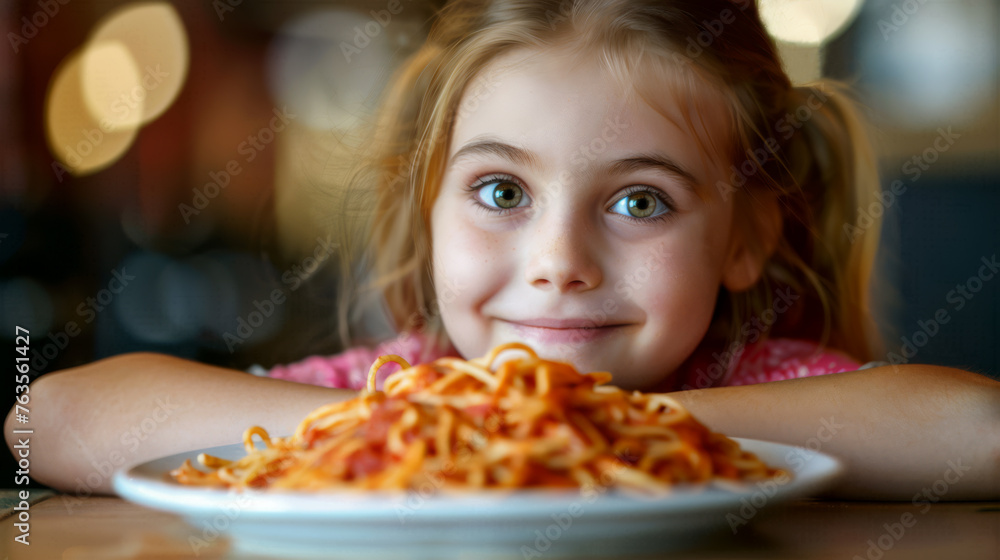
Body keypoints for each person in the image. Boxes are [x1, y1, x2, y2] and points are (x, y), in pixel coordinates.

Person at [7, 0, 998, 500]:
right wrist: (450, 422)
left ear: (746, 238)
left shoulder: (755, 386)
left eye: (640, 199)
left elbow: (976, 428)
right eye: (501, 192)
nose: (557, 258)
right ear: (429, 209)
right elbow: (46, 419)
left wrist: (605, 429)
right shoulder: (406, 387)